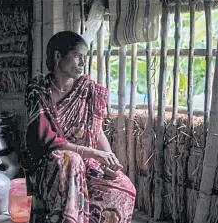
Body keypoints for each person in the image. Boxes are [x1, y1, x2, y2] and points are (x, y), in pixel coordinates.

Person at [23, 31, 136, 223]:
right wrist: (93, 153)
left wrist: (109, 159)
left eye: (85, 57)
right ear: (58, 56)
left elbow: (96, 130)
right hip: (49, 161)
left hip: (87, 158)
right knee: (71, 160)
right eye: (77, 57)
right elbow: (47, 141)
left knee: (123, 186)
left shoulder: (87, 89)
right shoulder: (39, 92)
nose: (83, 63)